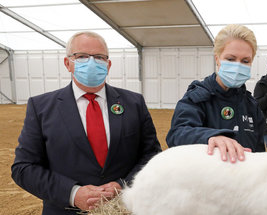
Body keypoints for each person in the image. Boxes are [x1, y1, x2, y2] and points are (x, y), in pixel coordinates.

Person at [11, 31, 162, 215]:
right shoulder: (40, 107)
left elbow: (151, 155)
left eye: (99, 57)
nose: (91, 62)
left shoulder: (134, 103)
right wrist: (73, 193)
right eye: (81, 56)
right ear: (68, 63)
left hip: (124, 208)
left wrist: (122, 185)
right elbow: (24, 168)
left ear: (108, 64)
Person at [166, 24, 265, 162]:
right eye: (230, 59)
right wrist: (211, 137)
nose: (237, 66)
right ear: (217, 58)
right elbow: (177, 134)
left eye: (245, 61)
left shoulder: (252, 105)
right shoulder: (197, 97)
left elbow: (259, 152)